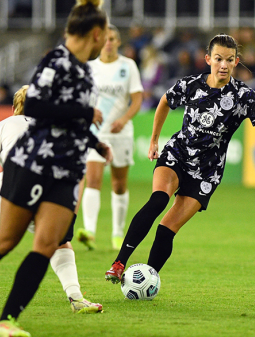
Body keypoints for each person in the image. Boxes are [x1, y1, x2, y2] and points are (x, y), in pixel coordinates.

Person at [0, 1, 111, 336]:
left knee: (48, 244)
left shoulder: (84, 71)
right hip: (31, 162)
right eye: (105, 35)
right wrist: (81, 115)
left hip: (64, 170)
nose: (106, 41)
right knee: (5, 240)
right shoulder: (56, 60)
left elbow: (70, 122)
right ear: (95, 34)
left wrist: (95, 144)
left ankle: (6, 320)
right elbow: (34, 104)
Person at [103, 33, 255, 284]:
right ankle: (119, 262)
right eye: (218, 59)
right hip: (178, 154)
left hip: (207, 173)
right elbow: (164, 101)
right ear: (208, 59)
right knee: (158, 199)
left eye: (229, 59)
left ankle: (146, 280)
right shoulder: (190, 85)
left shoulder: (243, 96)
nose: (224, 65)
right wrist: (154, 139)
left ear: (236, 61)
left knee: (166, 230)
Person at [0, 85, 102, 312]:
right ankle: (76, 299)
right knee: (59, 242)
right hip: (47, 190)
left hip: (10, 188)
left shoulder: (2, 126)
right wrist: (70, 217)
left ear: (15, 107)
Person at [76, 24, 144, 251]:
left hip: (120, 132)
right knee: (93, 179)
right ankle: (90, 232)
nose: (108, 42)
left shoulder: (128, 66)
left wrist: (123, 120)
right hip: (96, 132)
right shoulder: (90, 67)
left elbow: (137, 99)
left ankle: (117, 234)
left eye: (112, 38)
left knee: (119, 184)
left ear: (118, 41)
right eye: (105, 38)